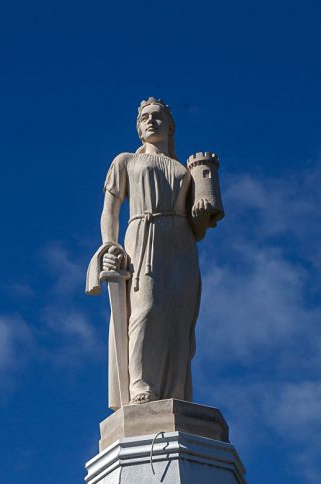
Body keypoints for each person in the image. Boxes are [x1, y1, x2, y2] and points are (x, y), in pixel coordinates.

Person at [87, 98, 222, 407]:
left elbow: (197, 229)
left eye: (158, 117)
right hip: (143, 236)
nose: (151, 121)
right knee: (145, 309)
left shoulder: (184, 171)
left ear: (170, 126)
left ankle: (175, 391)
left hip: (181, 243)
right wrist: (110, 244)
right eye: (144, 118)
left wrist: (204, 210)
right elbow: (110, 210)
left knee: (179, 318)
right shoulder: (126, 162)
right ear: (138, 128)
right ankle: (139, 386)